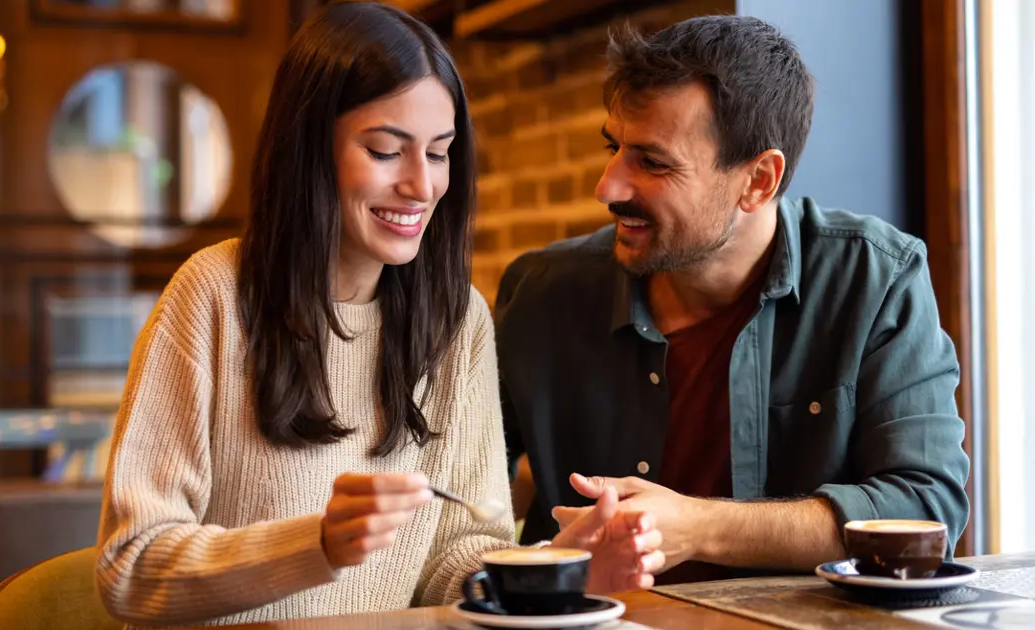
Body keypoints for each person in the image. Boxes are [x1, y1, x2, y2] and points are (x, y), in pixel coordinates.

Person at [94, 2, 665, 627]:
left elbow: (455, 557)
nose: (422, 185)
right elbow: (132, 568)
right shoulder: (213, 297)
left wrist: (556, 571)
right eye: (387, 151)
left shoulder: (457, 321)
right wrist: (316, 545)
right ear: (309, 149)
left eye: (440, 153)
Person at [496, 15, 970, 585]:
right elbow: (462, 502)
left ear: (759, 180)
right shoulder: (540, 293)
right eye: (613, 147)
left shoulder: (874, 279)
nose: (608, 187)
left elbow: (925, 505)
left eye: (652, 162)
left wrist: (697, 525)